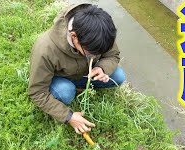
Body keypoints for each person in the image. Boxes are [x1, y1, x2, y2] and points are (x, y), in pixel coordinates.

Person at [28, 3, 126, 135]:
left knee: (119, 76)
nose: (94, 54)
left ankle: (81, 87)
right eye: (91, 52)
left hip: (85, 74)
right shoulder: (45, 50)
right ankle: (73, 89)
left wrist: (101, 68)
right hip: (62, 78)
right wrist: (68, 116)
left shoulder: (99, 31)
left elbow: (112, 55)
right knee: (65, 92)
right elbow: (37, 92)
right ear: (74, 36)